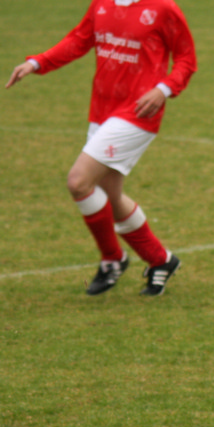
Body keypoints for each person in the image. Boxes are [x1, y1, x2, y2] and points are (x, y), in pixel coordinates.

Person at [6, 0, 196, 296]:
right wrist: (38, 62)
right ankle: (161, 260)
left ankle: (112, 258)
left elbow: (186, 58)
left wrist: (164, 89)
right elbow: (79, 40)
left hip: (138, 111)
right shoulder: (101, 4)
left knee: (79, 181)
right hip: (102, 110)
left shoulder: (162, 8)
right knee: (110, 195)